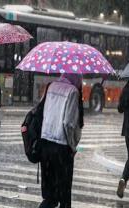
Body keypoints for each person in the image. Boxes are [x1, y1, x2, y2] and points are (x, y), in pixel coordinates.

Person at [38, 73, 83, 208]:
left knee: (49, 197)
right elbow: (69, 123)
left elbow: (44, 113)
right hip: (62, 149)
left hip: (45, 145)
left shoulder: (51, 86)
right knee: (64, 197)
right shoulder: (73, 91)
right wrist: (73, 146)